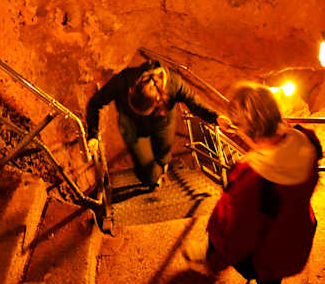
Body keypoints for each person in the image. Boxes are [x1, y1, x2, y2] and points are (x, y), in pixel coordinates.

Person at [189, 82, 322, 284]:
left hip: (264, 249)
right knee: (271, 280)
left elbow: (237, 234)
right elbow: (279, 140)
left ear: (248, 132)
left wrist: (215, 262)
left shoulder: (253, 180)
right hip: (295, 237)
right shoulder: (307, 140)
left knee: (264, 268)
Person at [86, 59, 229, 188]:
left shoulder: (174, 84)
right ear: (131, 90)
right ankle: (151, 177)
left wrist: (216, 118)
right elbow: (94, 104)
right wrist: (93, 135)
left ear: (158, 102)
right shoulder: (124, 80)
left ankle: (161, 168)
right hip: (132, 126)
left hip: (162, 123)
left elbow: (195, 104)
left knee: (163, 155)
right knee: (148, 173)